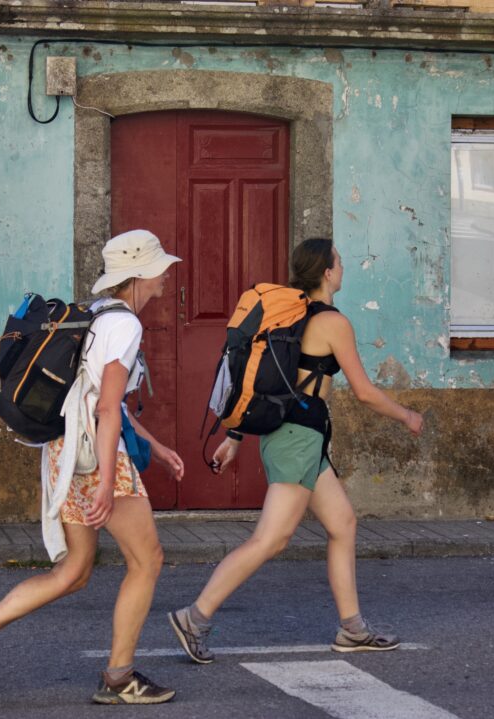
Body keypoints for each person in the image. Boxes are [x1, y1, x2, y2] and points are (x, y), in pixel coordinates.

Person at [0, 229, 185, 705]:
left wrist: (153, 445)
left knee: (74, 570)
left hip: (64, 451)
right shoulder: (126, 326)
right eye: (160, 269)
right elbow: (108, 408)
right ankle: (119, 678)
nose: (165, 276)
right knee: (147, 559)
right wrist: (108, 485)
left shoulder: (95, 314)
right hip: (96, 456)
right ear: (139, 275)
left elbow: (91, 395)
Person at [169, 238, 424, 663]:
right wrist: (407, 416)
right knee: (271, 538)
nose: (343, 267)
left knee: (342, 523)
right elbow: (363, 392)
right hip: (298, 438)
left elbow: (269, 382)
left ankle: (352, 629)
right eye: (339, 262)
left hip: (295, 435)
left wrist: (235, 438)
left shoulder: (291, 316)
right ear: (327, 272)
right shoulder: (332, 323)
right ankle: (195, 617)